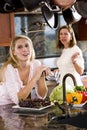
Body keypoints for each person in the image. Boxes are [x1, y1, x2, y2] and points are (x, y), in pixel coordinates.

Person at [0, 35, 50, 105]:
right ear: (14, 52)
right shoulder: (9, 69)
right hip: (3, 106)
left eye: (27, 46)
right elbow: (18, 100)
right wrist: (35, 77)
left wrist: (41, 76)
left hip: (19, 107)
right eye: (20, 47)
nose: (24, 49)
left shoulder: (36, 64)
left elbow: (42, 96)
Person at [56, 25, 84, 91]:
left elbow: (80, 71)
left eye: (66, 34)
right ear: (59, 37)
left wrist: (74, 61)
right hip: (64, 86)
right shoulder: (65, 50)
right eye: (61, 34)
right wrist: (57, 70)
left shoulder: (76, 50)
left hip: (73, 86)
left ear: (71, 37)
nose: (63, 36)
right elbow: (66, 66)